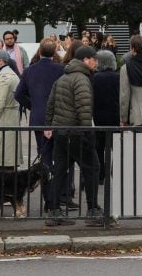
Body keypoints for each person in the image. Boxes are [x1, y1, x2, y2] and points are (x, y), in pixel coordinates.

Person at [43, 45, 101, 227]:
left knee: (60, 171)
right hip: (77, 133)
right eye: (94, 59)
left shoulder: (63, 77)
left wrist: (49, 126)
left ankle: (54, 211)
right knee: (92, 168)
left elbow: (50, 104)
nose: (96, 63)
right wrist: (87, 133)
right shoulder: (81, 79)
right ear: (85, 60)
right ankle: (92, 210)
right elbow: (84, 109)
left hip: (61, 133)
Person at [15, 37, 66, 207]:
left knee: (45, 159)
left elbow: (18, 94)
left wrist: (34, 105)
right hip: (59, 118)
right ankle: (59, 196)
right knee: (61, 158)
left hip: (38, 118)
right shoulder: (61, 70)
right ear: (54, 52)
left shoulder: (30, 71)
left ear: (40, 51)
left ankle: (48, 199)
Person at [91, 49, 120, 184]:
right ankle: (115, 173)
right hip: (115, 115)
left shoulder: (95, 78)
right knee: (116, 146)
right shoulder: (118, 77)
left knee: (99, 147)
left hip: (99, 116)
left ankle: (101, 175)